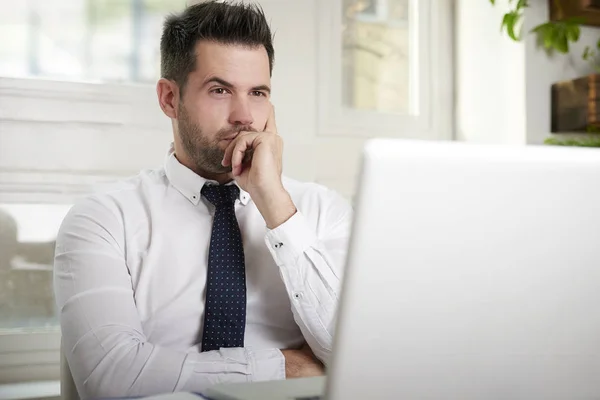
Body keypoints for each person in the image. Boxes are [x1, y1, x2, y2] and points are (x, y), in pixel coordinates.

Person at [54, 2, 353, 399]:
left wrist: (275, 204)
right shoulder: (104, 219)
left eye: (258, 93)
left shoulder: (320, 212)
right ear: (169, 99)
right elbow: (112, 378)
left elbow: (354, 356)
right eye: (220, 90)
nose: (245, 116)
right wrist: (286, 366)